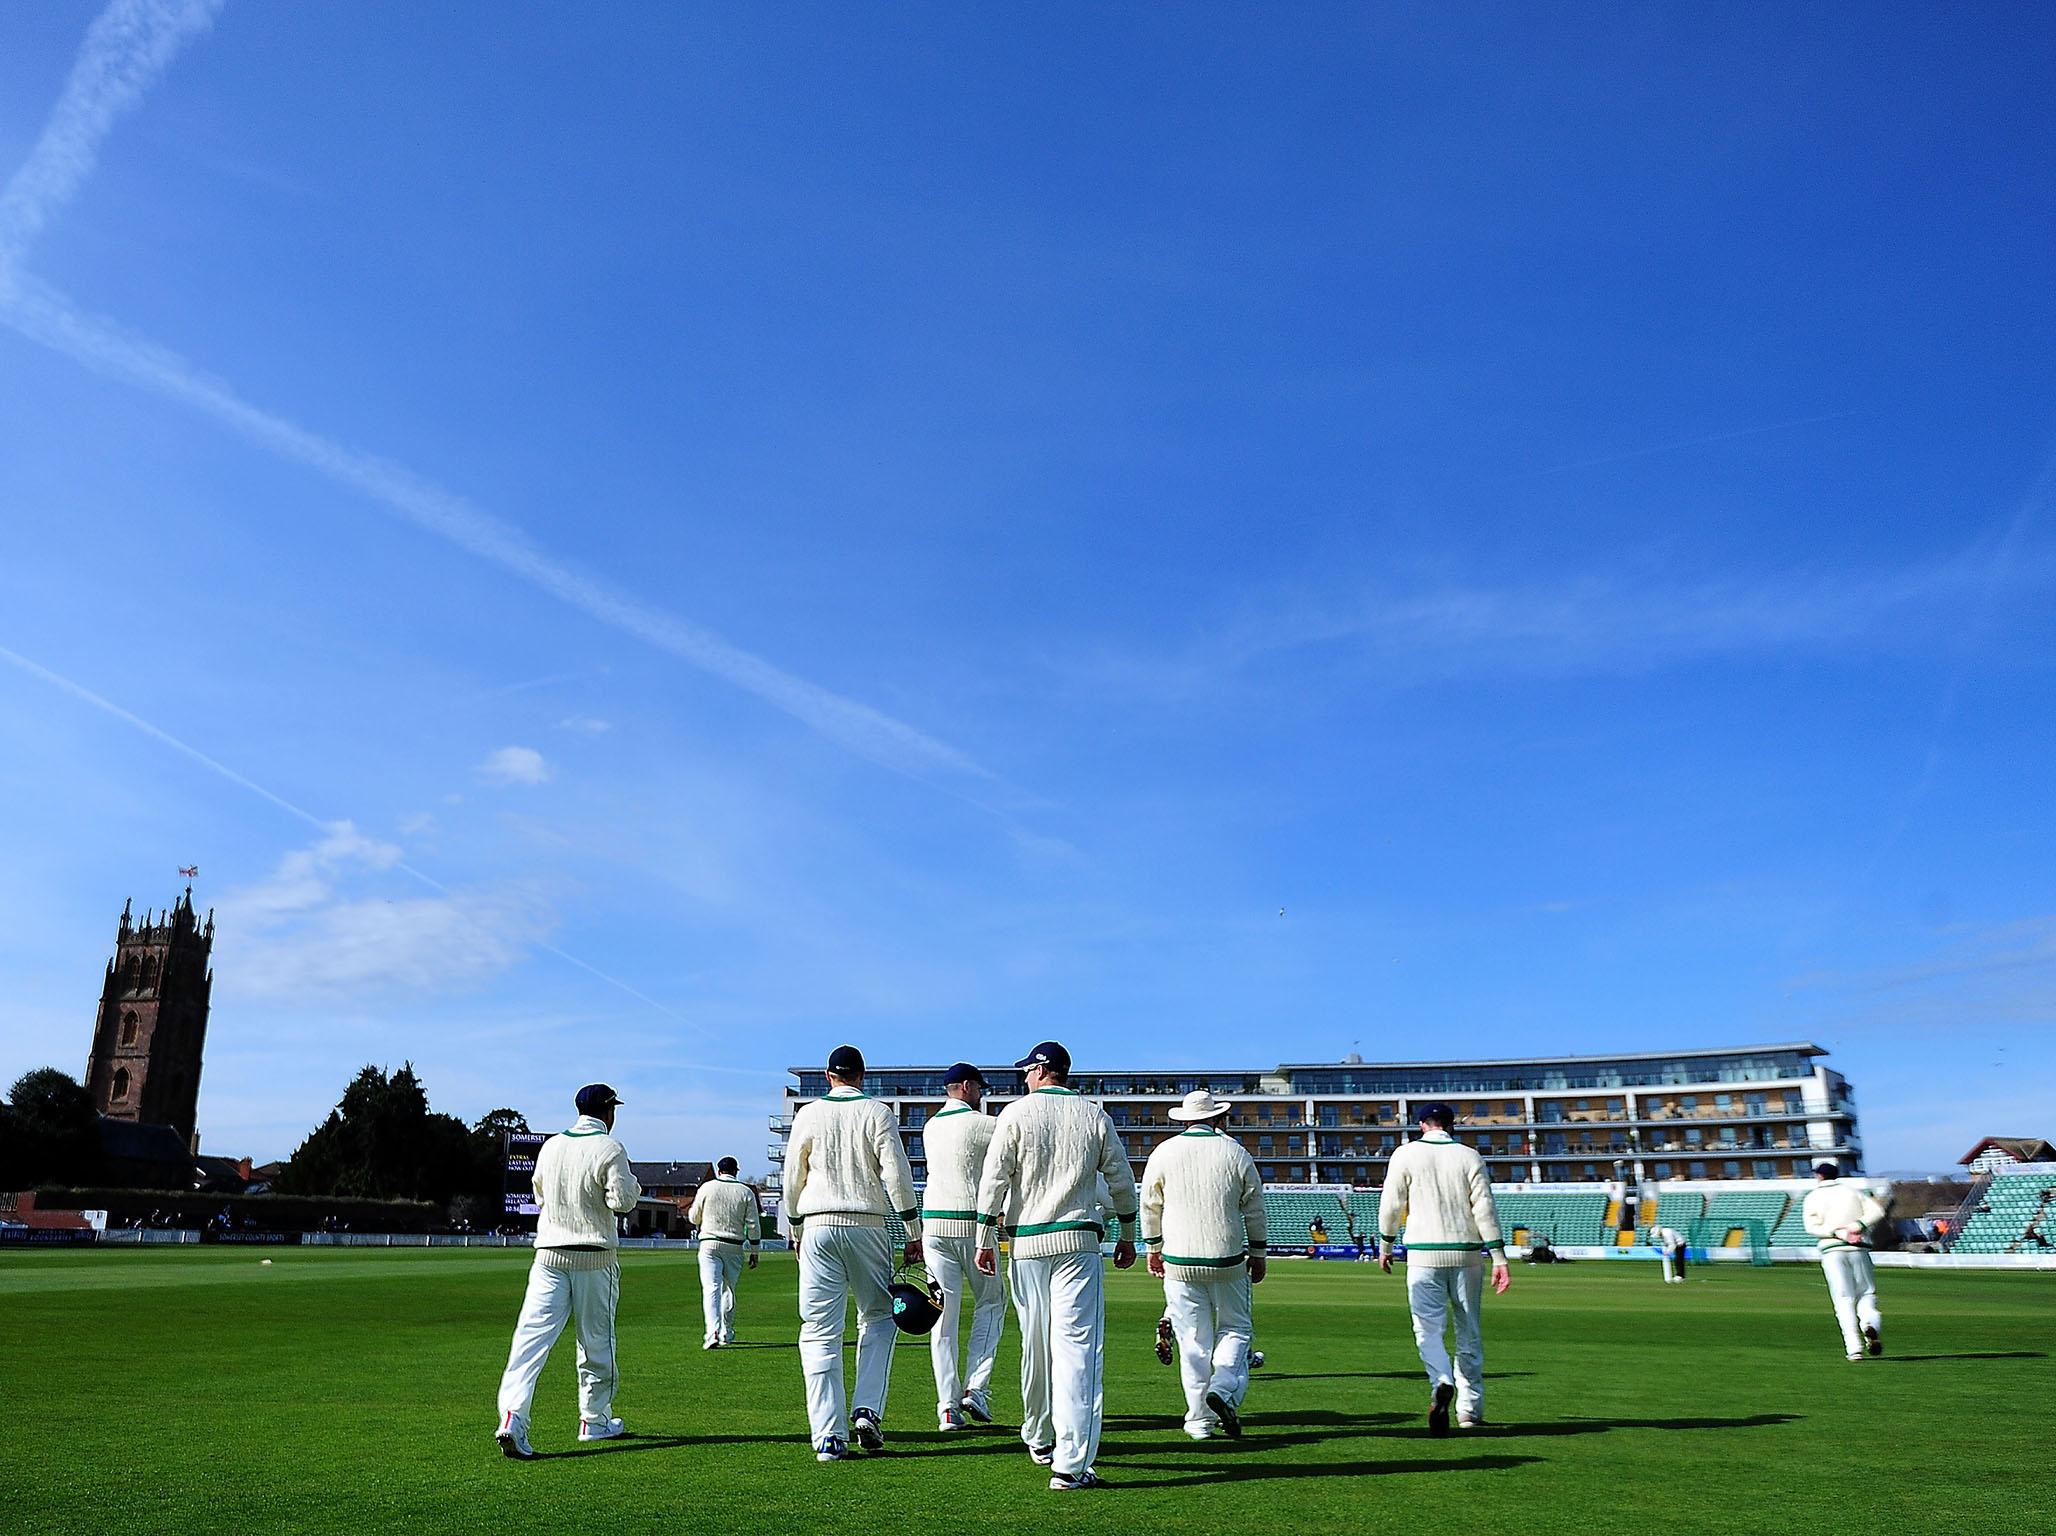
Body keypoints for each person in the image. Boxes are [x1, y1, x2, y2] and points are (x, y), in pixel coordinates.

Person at [975, 1041, 1138, 1493]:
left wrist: (983, 1238)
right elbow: (1121, 1181)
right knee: (1077, 1351)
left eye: (1027, 1068)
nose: (1023, 1075)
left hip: (1027, 1245)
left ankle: (1038, 1435)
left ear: (1042, 1070)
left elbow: (994, 1181)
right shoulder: (1094, 1116)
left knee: (1036, 1343)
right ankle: (1069, 1463)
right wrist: (1128, 1233)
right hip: (1076, 1244)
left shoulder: (1015, 1114)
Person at [785, 1044, 923, 1462]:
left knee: (819, 1328)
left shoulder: (808, 1113)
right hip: (867, 1223)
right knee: (879, 1317)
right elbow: (896, 1174)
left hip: (819, 1223)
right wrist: (913, 1230)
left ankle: (828, 1435)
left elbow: (794, 1174)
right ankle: (866, 1409)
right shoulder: (877, 1112)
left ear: (829, 1076)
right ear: (862, 1077)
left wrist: (794, 1226)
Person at [494, 1084, 642, 1459]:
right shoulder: (610, 1147)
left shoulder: (551, 1146)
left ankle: (513, 1417)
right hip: (594, 1258)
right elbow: (622, 1202)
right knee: (596, 1342)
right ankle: (593, 1420)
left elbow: (541, 1196)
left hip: (548, 1257)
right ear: (609, 1111)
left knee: (529, 1343)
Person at [1138, 1089, 1267, 1440]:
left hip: (1179, 1260)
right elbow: (1254, 1208)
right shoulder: (1234, 1152)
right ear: (1218, 1119)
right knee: (1236, 1329)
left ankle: (1198, 1422)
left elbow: (1150, 1205)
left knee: (1193, 1342)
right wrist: (1258, 1253)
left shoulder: (1163, 1152)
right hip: (1227, 1258)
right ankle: (1223, 1389)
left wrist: (1152, 1248)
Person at [1378, 1103, 1510, 1434]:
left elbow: (1392, 1205)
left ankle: (1440, 1380)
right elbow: (1484, 1209)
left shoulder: (1405, 1154)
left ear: (1422, 1124)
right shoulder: (1469, 1156)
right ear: (1451, 1126)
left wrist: (1386, 1246)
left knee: (1427, 1329)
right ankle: (1469, 1411)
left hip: (1423, 1254)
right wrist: (1499, 1257)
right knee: (1469, 1332)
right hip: (1467, 1255)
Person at [919, 1062, 1007, 1431]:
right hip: (973, 1226)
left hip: (934, 1226)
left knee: (943, 1318)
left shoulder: (930, 1126)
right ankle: (975, 1388)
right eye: (980, 1089)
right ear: (967, 1087)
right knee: (992, 1301)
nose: (982, 1095)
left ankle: (947, 1408)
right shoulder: (988, 1126)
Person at [1801, 1160, 1886, 1361]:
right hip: (1858, 1247)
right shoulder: (1852, 1192)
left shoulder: (1813, 1197)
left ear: (1819, 1176)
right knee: (1866, 1293)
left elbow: (1811, 1227)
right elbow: (1878, 1212)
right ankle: (1869, 1323)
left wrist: (1836, 1232)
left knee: (1843, 1299)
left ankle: (1854, 1348)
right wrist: (1856, 1226)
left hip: (1831, 1250)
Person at [688, 1156, 761, 1349]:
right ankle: (726, 1332)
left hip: (709, 1244)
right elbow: (753, 1224)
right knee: (729, 1288)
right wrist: (755, 1251)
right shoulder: (745, 1191)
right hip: (734, 1246)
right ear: (736, 1171)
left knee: (711, 1288)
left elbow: (693, 1216)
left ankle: (711, 1332)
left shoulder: (707, 1187)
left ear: (719, 1171)